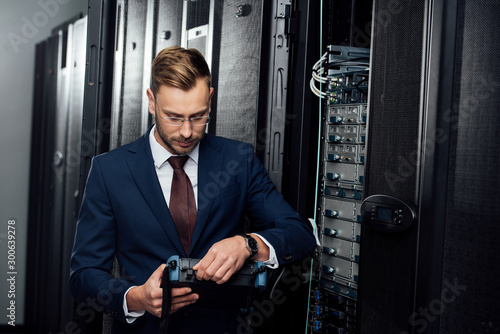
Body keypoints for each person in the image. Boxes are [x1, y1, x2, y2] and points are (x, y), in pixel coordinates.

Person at [69, 46, 316, 333]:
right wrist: (135, 297)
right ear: (151, 101)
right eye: (173, 117)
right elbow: (83, 276)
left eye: (198, 117)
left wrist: (247, 244)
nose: (187, 132)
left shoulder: (238, 160)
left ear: (210, 100)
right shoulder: (109, 171)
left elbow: (299, 234)